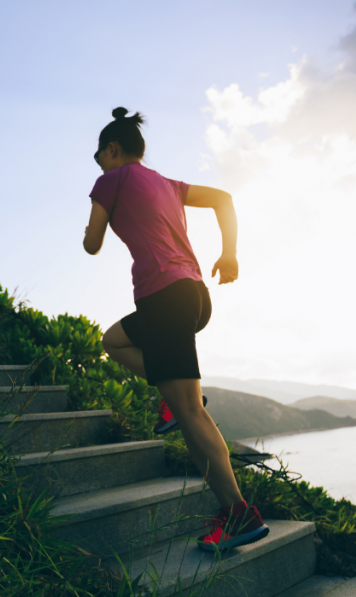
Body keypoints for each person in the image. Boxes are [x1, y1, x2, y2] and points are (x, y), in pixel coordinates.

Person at [82, 107, 269, 551]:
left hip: (163, 298)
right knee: (114, 341)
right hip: (192, 294)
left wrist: (96, 218)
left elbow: (92, 244)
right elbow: (224, 198)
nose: (100, 168)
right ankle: (174, 403)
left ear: (113, 149)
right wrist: (230, 254)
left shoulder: (112, 179)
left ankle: (238, 514)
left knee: (192, 415)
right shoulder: (168, 183)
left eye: (101, 158)